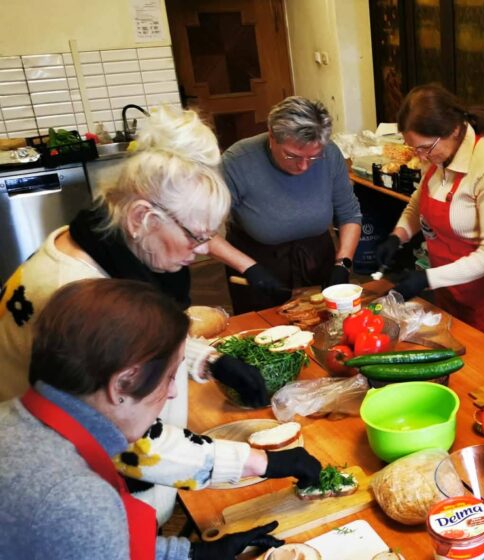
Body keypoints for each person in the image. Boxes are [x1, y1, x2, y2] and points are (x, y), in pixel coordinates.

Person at [0, 107, 321, 525]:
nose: (204, 250)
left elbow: (134, 340)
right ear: (140, 218)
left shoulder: (97, 241)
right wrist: (258, 462)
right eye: (195, 236)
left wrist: (208, 359)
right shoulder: (78, 296)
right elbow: (131, 442)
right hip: (84, 495)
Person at [0, 278, 283, 559]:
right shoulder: (77, 499)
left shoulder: (15, 419)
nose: (172, 393)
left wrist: (193, 554)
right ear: (121, 384)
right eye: (169, 377)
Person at [375, 84, 484, 347]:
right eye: (413, 149)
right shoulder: (436, 155)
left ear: (453, 130)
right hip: (448, 290)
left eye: (424, 148)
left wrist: (428, 277)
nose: (419, 157)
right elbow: (420, 200)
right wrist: (399, 235)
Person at [220, 96, 363, 313]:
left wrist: (343, 263)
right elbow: (201, 233)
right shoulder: (237, 161)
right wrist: (249, 268)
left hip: (317, 260)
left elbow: (349, 214)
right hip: (258, 266)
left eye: (313, 157)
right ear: (271, 136)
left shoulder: (330, 154)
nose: (304, 166)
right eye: (292, 155)